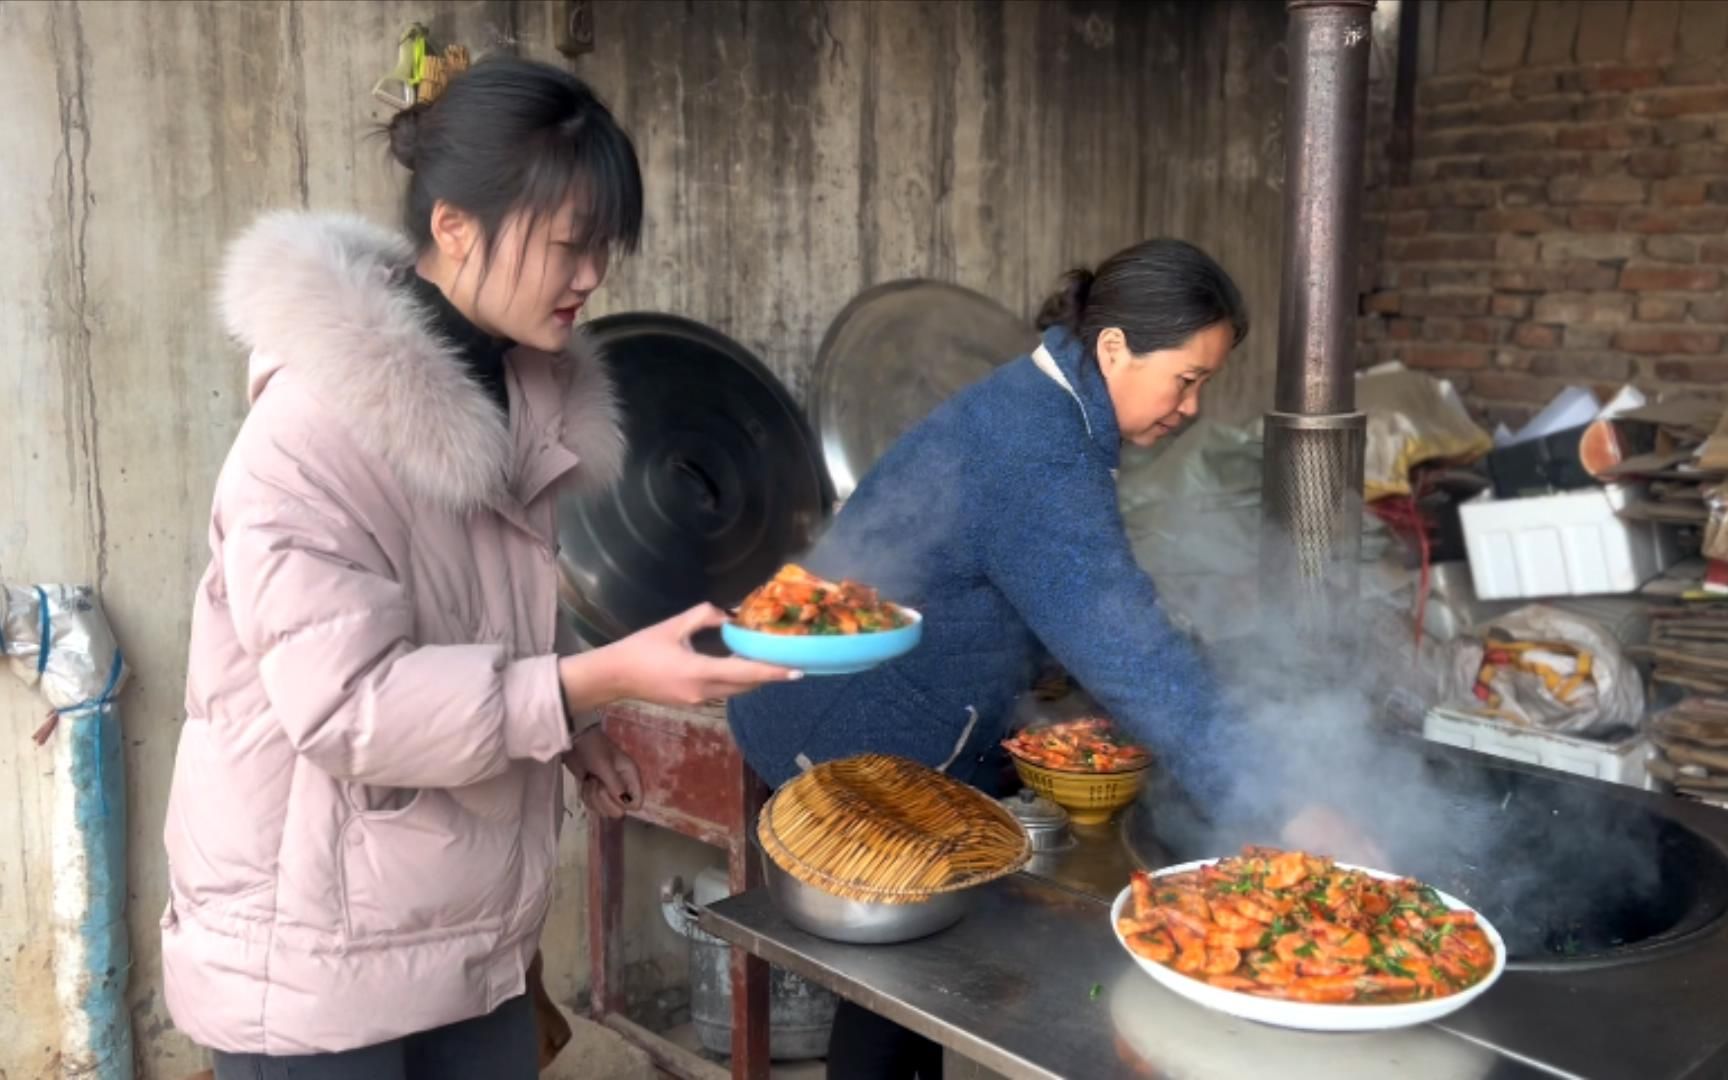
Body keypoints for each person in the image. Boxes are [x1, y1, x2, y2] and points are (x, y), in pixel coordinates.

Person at [160, 58, 798, 1078]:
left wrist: (573, 731)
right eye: (568, 244)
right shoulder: (309, 432)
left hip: (460, 929)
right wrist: (601, 679)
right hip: (316, 949)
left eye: (604, 248)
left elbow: (484, 612)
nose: (591, 276)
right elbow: (349, 710)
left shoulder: (516, 396)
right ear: (454, 226)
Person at [728, 239, 1368, 1078]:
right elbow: (1135, 656)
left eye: (1204, 382)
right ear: (1113, 349)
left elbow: (1056, 591)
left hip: (897, 717)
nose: (1192, 405)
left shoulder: (1045, 405)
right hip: (846, 731)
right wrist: (1289, 809)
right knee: (889, 983)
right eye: (1186, 378)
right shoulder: (1039, 451)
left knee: (912, 978)